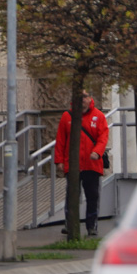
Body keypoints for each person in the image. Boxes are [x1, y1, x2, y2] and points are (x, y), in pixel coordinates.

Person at [54, 90, 109, 238]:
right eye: (79, 97)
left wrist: (97, 152)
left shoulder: (99, 116)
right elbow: (60, 140)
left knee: (92, 196)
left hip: (92, 164)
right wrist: (58, 160)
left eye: (85, 97)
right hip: (73, 164)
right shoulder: (67, 117)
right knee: (72, 195)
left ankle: (92, 226)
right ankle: (70, 224)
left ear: (90, 98)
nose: (82, 100)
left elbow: (103, 137)